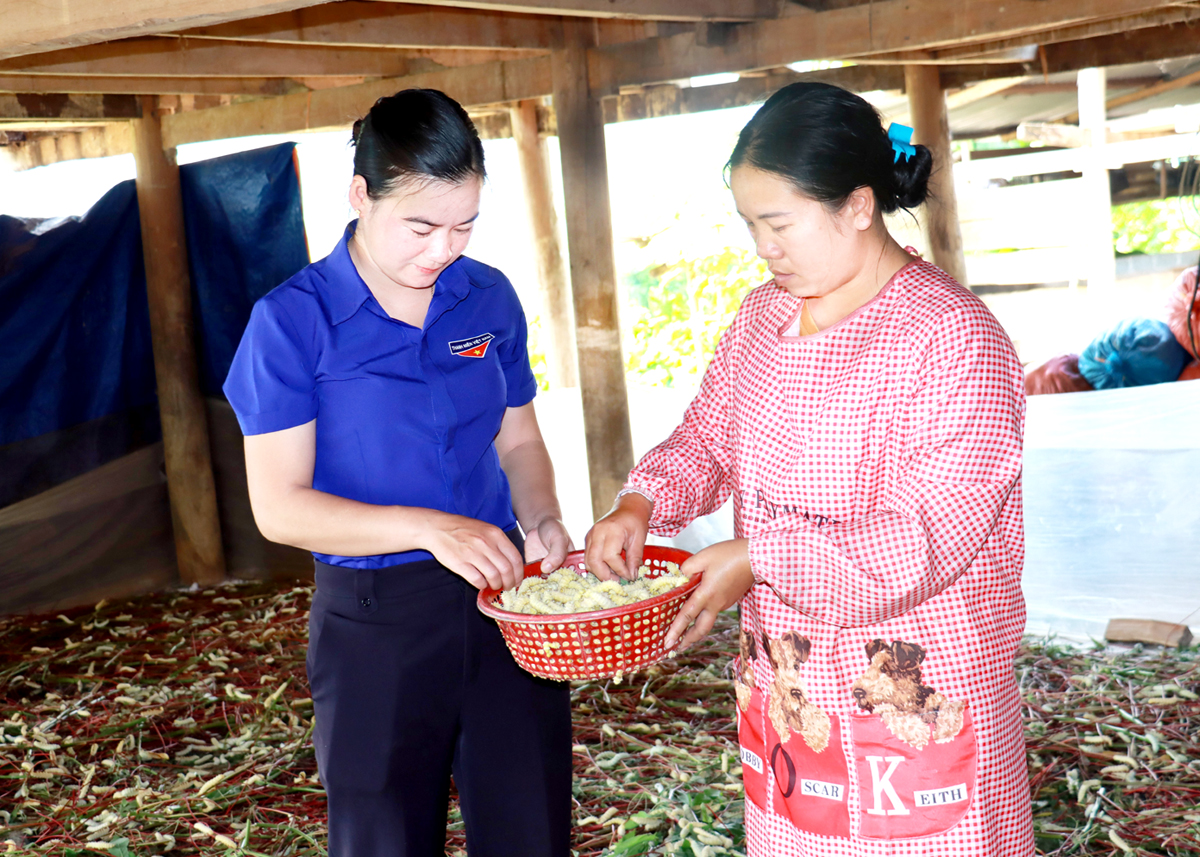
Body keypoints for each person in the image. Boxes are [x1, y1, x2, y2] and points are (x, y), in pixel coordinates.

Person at [585, 82, 1034, 855]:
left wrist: (761, 558)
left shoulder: (953, 339)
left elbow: (924, 540)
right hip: (794, 695)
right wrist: (640, 503)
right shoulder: (763, 317)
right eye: (750, 224)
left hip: (914, 694)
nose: (764, 247)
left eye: (780, 222)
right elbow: (708, 437)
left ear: (859, 205)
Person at [223, 89, 572, 857]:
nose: (443, 249)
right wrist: (425, 527)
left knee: (531, 822)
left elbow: (518, 441)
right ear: (360, 196)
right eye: (420, 225)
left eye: (464, 225)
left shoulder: (487, 297)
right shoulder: (291, 324)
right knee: (384, 834)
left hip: (507, 596)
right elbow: (280, 507)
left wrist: (542, 514)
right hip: (375, 615)